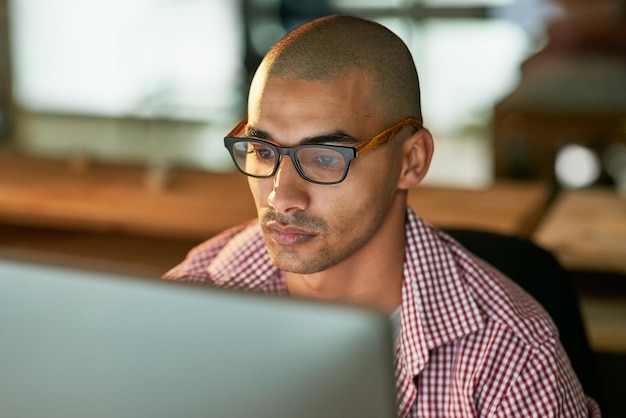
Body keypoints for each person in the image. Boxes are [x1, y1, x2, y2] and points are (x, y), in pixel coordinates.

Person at [164, 15, 600, 417]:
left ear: (411, 160)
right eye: (263, 151)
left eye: (325, 158)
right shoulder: (180, 307)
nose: (282, 196)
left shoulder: (511, 358)